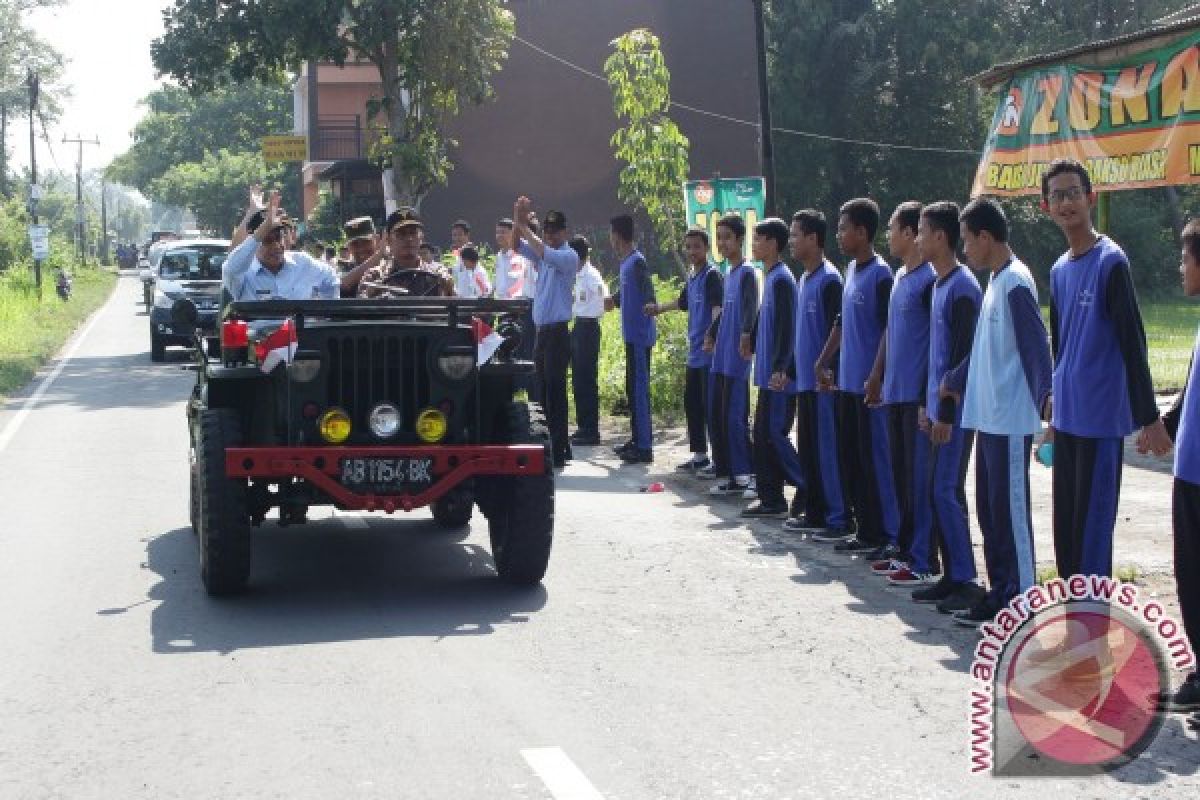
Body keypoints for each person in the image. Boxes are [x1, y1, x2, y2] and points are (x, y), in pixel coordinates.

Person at [1042, 158, 1170, 579]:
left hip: (1100, 420)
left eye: (1073, 193)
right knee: (1067, 531)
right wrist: (1054, 414)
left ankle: (1093, 625)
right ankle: (1072, 618)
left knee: (1093, 532)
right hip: (1070, 417)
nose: (1066, 203)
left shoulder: (1110, 262)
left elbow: (1133, 344)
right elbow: (1060, 348)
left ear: (1090, 199)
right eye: (1057, 195)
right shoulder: (1060, 269)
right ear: (1046, 206)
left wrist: (1149, 418)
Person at [942, 197, 1052, 627]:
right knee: (989, 511)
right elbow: (987, 350)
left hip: (1009, 421)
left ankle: (1025, 601)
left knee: (1010, 513)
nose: (965, 249)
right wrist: (955, 377)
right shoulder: (995, 281)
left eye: (968, 240)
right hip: (987, 418)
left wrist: (1048, 399)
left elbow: (1034, 345)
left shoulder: (1016, 282)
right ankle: (1001, 591)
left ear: (986, 238)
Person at [908, 202, 983, 614]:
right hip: (935, 410)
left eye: (922, 231)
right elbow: (933, 357)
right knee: (939, 490)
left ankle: (967, 579)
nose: (917, 239)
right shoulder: (936, 286)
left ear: (940, 237)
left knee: (946, 489)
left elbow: (962, 359)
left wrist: (947, 415)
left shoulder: (963, 289)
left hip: (956, 414)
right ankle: (952, 575)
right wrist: (925, 404)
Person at [813, 199, 899, 557]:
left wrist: (876, 374)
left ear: (863, 232)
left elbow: (889, 330)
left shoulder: (882, 275)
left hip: (869, 390)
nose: (839, 234)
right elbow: (841, 323)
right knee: (852, 460)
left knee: (876, 462)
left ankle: (887, 534)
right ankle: (865, 530)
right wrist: (823, 361)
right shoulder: (851, 272)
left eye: (844, 228)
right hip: (845, 386)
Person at [865, 202, 940, 584]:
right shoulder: (899, 277)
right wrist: (877, 373)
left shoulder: (930, 280)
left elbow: (936, 342)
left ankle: (925, 560)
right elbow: (891, 331)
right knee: (900, 477)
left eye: (893, 229)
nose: (888, 236)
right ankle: (907, 550)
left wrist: (930, 396)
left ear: (911, 233)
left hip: (916, 395)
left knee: (919, 480)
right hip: (894, 392)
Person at [785, 210, 849, 537]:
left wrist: (829, 371)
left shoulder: (830, 280)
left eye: (796, 235)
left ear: (813, 239)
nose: (791, 242)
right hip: (805, 385)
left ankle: (837, 518)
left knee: (828, 452)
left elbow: (838, 332)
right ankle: (815, 513)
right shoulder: (804, 278)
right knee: (809, 450)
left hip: (825, 386)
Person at [1158, 217, 1200, 713]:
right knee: (1189, 573)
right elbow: (1190, 387)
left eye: (1187, 258)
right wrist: (1166, 426)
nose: (1180, 266)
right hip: (1188, 467)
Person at [644, 227, 723, 473]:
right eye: (688, 247)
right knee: (693, 404)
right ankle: (700, 455)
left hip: (708, 352)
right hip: (694, 353)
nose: (691, 251)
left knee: (711, 407)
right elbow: (683, 302)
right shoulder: (692, 275)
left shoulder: (712, 275)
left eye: (696, 246)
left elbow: (717, 309)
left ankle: (721, 460)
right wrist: (659, 308)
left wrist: (713, 336)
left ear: (706, 248)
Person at [743, 218, 804, 517]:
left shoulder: (782, 279)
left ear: (773, 244)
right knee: (763, 435)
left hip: (780, 377)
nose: (753, 244)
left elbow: (786, 327)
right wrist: (752, 339)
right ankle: (772, 499)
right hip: (767, 374)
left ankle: (808, 485)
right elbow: (765, 318)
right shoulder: (770, 277)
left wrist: (782, 367)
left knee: (775, 435)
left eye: (758, 239)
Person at [513, 198, 579, 468]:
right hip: (542, 332)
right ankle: (549, 444)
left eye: (555, 231)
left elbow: (539, 250)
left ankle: (560, 447)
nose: (550, 235)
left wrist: (522, 225)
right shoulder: (543, 254)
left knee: (555, 390)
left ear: (564, 232)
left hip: (558, 333)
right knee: (540, 389)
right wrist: (517, 218)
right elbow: (517, 245)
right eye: (547, 231)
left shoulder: (567, 255)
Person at [705, 214, 758, 496]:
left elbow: (750, 308)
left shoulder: (748, 272)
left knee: (736, 418)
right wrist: (712, 332)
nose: (722, 243)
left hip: (737, 358)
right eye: (719, 237)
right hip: (721, 357)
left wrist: (747, 334)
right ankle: (728, 473)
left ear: (740, 239)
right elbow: (726, 309)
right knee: (718, 416)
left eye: (727, 237)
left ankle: (748, 474)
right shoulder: (728, 273)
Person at [224, 190, 339, 302]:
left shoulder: (302, 262)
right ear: (255, 243)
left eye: (278, 238)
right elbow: (231, 268)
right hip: (258, 322)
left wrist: (326, 312)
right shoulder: (244, 272)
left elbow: (331, 277)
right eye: (268, 240)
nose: (276, 246)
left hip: (299, 322)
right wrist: (264, 226)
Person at [609, 214, 657, 464]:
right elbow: (626, 291)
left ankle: (645, 447)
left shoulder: (637, 261)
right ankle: (636, 439)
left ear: (616, 234)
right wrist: (612, 300)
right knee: (632, 389)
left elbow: (647, 287)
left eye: (611, 233)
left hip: (640, 336)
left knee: (639, 390)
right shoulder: (626, 262)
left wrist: (651, 303)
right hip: (631, 335)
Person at [358, 207, 452, 297]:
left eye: (413, 233)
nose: (409, 239)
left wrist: (448, 288)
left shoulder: (436, 275)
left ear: (421, 238)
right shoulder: (375, 276)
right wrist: (369, 296)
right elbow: (358, 309)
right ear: (389, 240)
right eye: (401, 234)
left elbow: (455, 308)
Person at [569, 235, 609, 447]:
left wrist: (597, 310)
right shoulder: (578, 274)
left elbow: (606, 298)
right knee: (578, 379)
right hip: (579, 326)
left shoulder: (592, 276)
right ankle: (583, 427)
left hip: (589, 327)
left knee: (586, 379)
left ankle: (591, 430)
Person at [337, 216, 382, 297]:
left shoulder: (389, 267)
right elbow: (340, 286)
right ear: (348, 247)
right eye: (355, 244)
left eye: (366, 242)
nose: (361, 249)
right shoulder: (344, 270)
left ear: (377, 240)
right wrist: (378, 256)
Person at [493, 219, 529, 300]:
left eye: (503, 232)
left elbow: (520, 281)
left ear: (513, 234)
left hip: (516, 305)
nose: (499, 235)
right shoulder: (499, 256)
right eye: (497, 232)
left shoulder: (520, 255)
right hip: (501, 304)